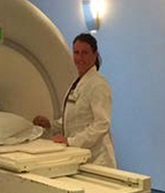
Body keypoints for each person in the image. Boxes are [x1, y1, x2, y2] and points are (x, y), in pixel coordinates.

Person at [33, 33, 116, 168]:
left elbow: (101, 124)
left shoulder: (99, 84)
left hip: (97, 159)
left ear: (95, 55)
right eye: (76, 52)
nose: (80, 57)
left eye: (85, 53)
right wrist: (50, 125)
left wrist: (71, 141)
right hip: (79, 156)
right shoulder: (77, 83)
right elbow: (72, 120)